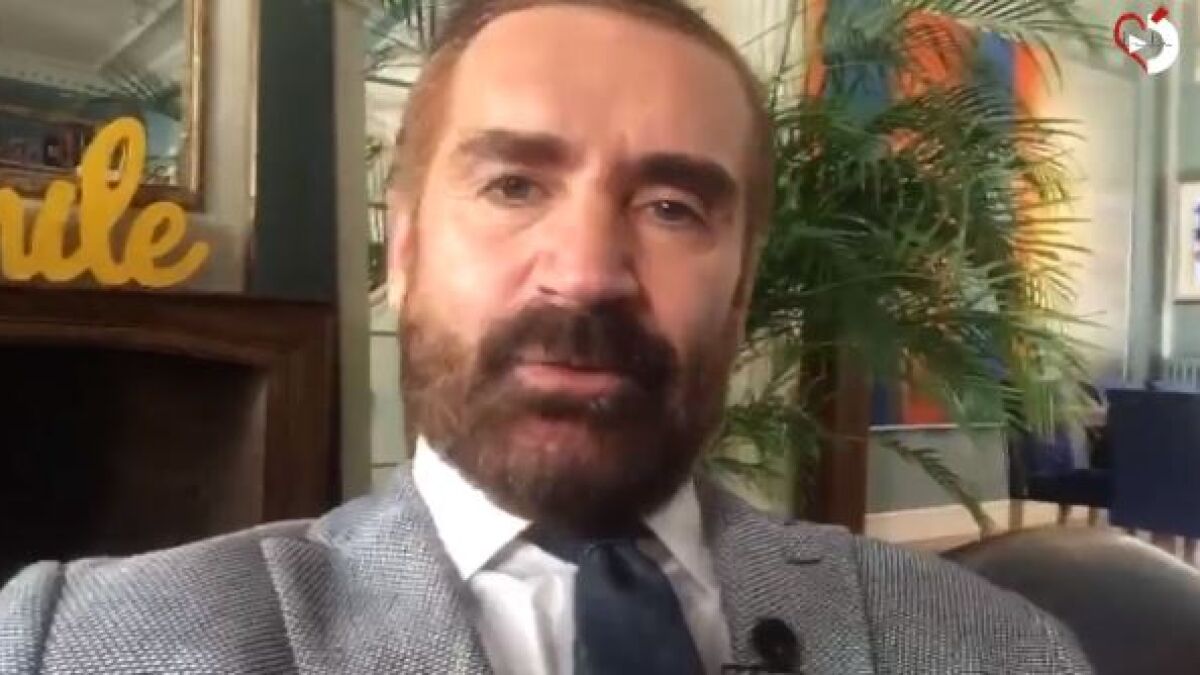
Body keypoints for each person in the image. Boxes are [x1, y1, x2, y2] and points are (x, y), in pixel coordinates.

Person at [0, 1, 1091, 673]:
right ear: (407, 248)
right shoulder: (75, 645)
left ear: (743, 286)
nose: (586, 271)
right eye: (515, 184)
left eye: (672, 207)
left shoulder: (997, 650)